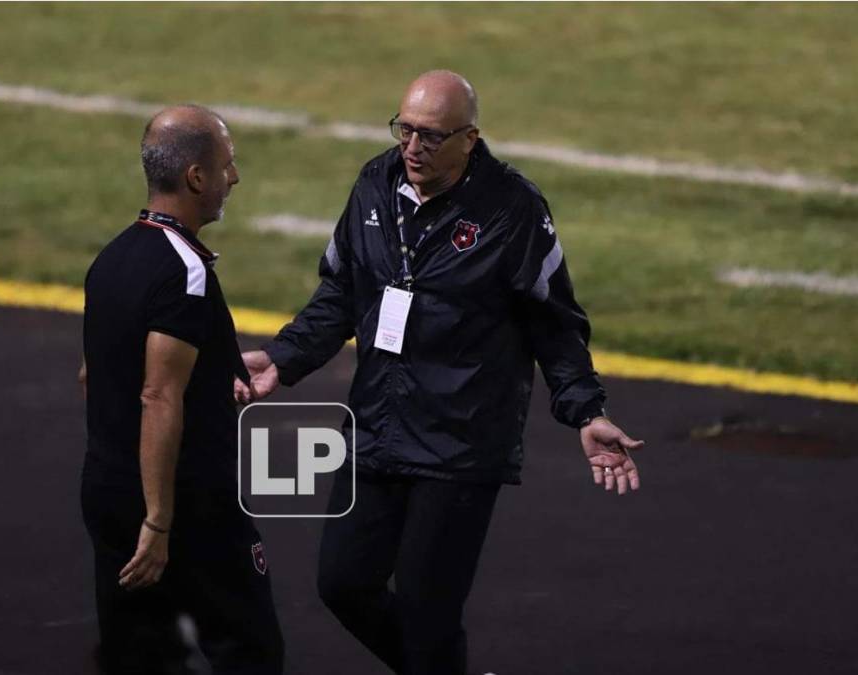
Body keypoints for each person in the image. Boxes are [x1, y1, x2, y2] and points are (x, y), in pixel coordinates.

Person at [242, 71, 644, 675]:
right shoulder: (375, 182)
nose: (412, 148)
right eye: (405, 130)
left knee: (430, 612)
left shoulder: (512, 209)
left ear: (470, 139)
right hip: (376, 426)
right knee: (342, 583)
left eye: (431, 137)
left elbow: (554, 322)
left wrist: (586, 409)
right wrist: (284, 356)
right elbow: (342, 293)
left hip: (460, 440)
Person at [81, 105, 283, 675]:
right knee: (250, 651)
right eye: (227, 164)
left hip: (106, 486)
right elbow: (158, 397)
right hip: (185, 504)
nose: (234, 178)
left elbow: (94, 374)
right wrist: (159, 520)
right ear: (196, 177)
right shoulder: (184, 272)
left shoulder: (112, 258)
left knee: (138, 654)